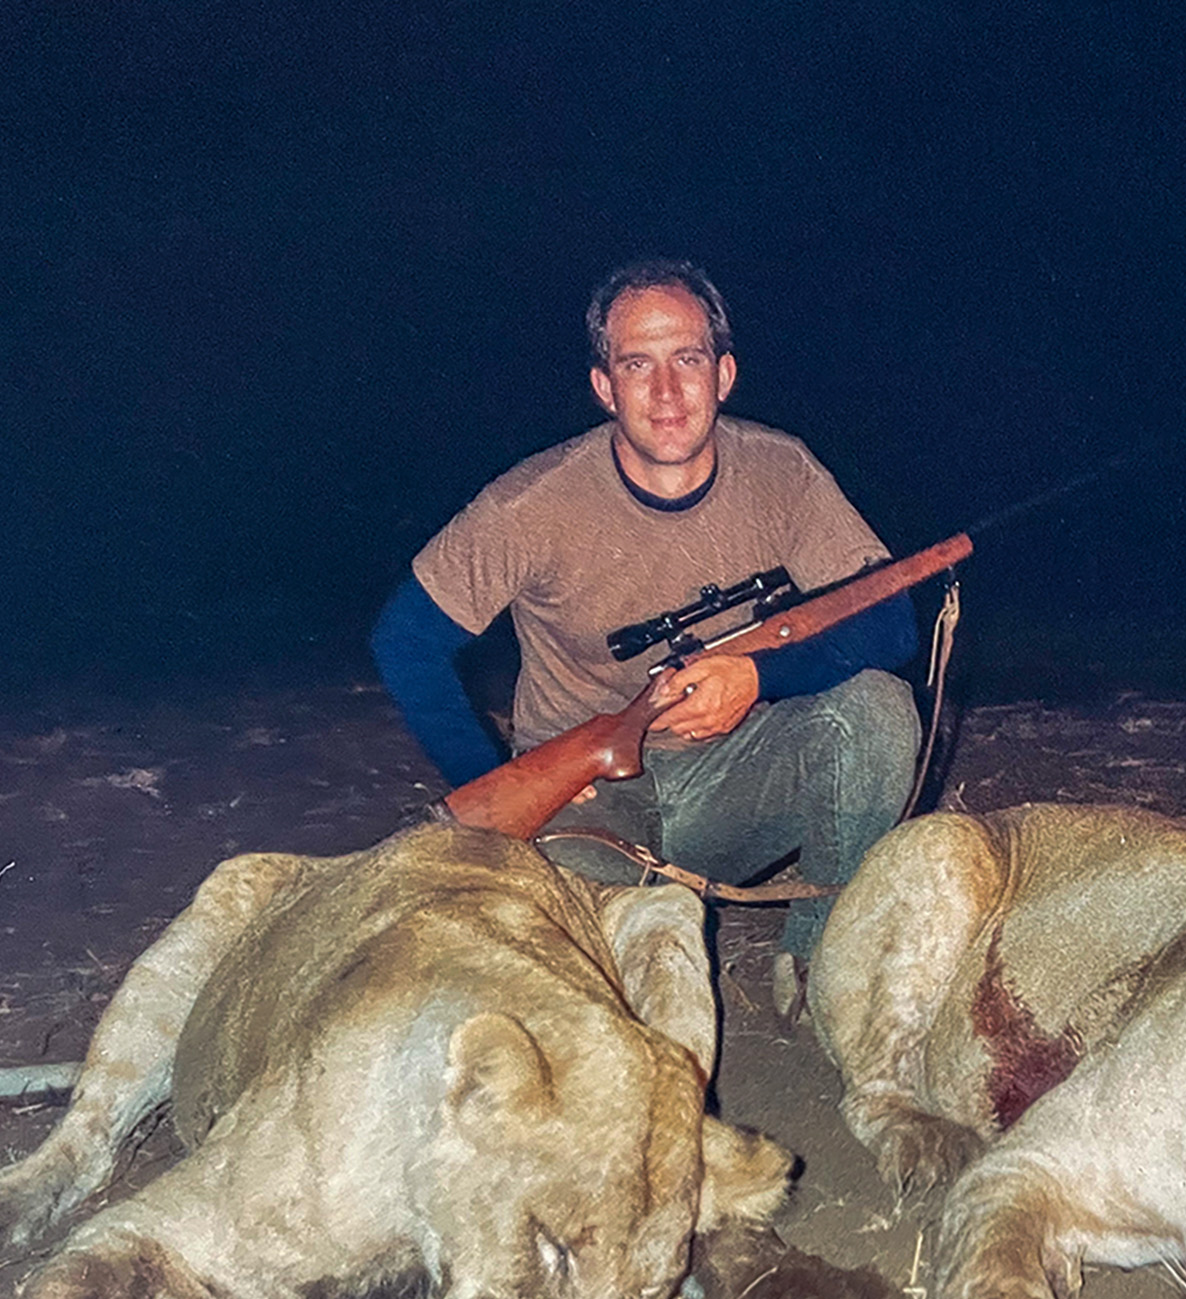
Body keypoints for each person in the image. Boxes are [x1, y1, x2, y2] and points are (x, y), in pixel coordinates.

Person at [370, 259, 920, 1019]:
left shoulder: (783, 472)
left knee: (879, 712)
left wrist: (760, 679)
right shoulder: (531, 503)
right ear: (604, 386)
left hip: (732, 784)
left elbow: (892, 619)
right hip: (587, 801)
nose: (666, 393)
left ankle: (818, 959)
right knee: (580, 986)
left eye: (687, 359)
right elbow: (405, 642)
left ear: (724, 374)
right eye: (638, 364)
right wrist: (498, 774)